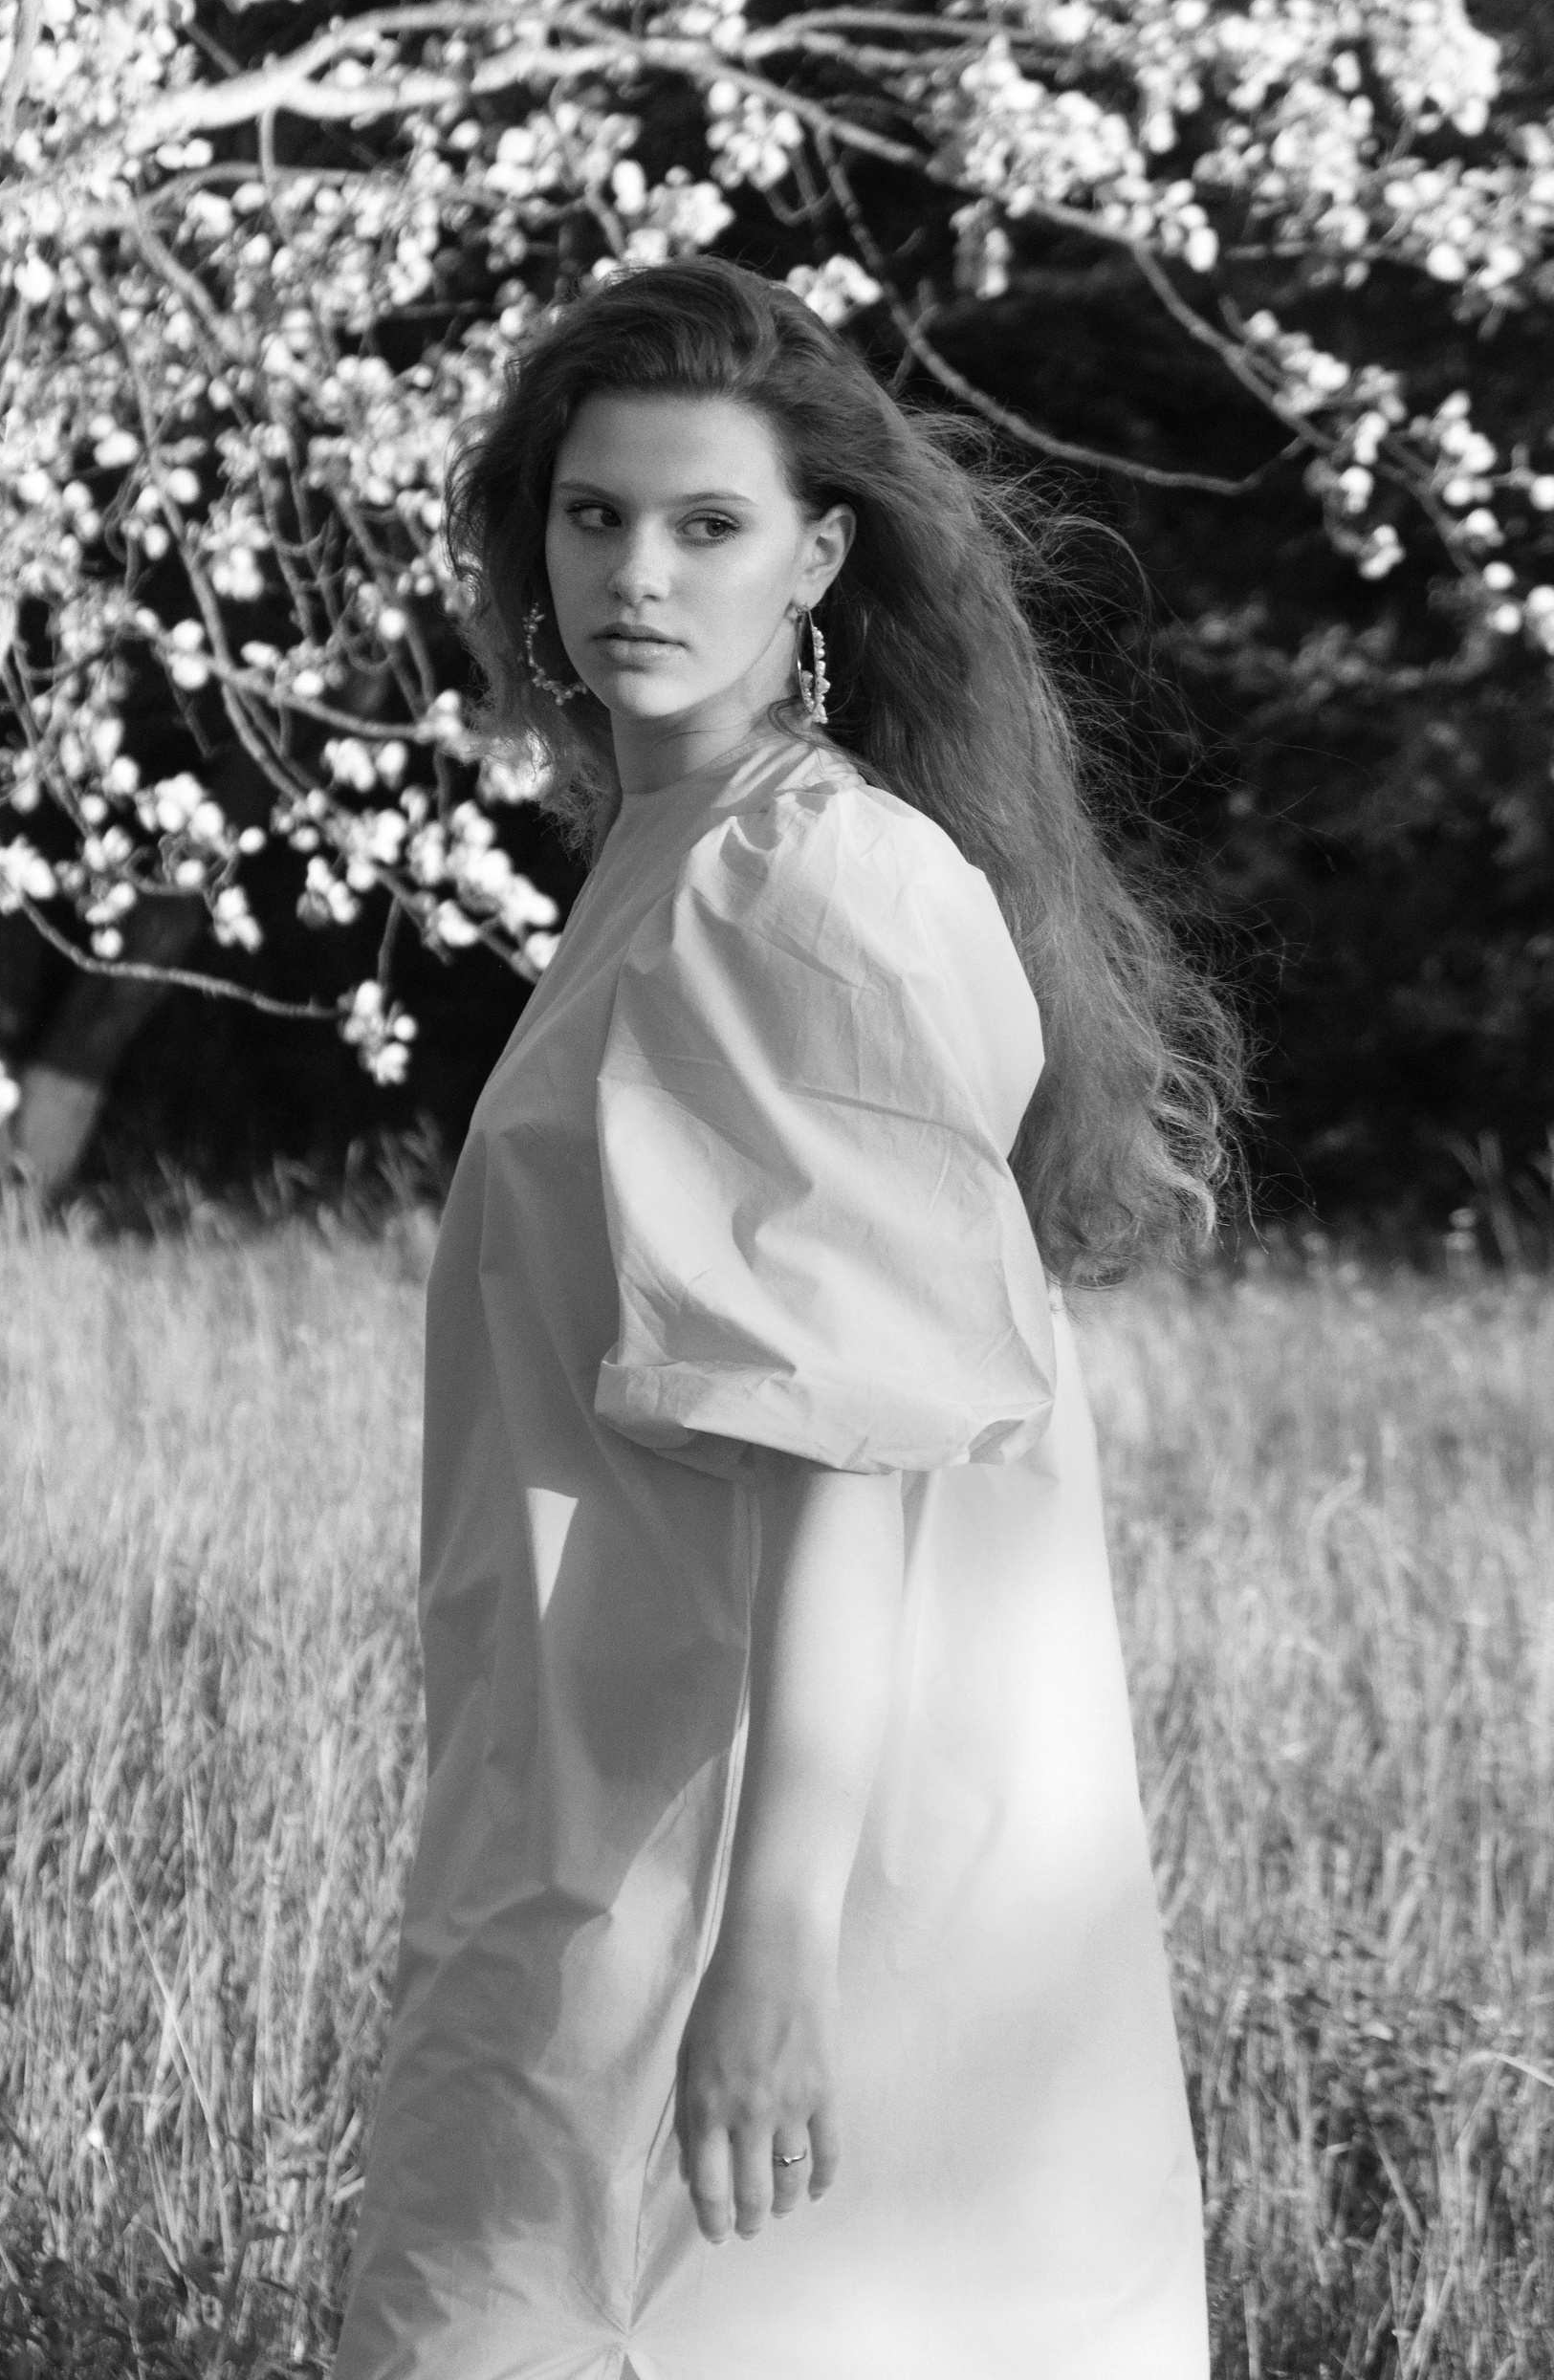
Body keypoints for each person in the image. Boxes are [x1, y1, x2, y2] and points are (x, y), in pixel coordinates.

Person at [330, 258, 1244, 2380]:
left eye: (707, 523)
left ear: (819, 557)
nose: (635, 573)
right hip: (608, 1802)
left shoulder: (798, 881)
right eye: (593, 516)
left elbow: (847, 1456)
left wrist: (770, 1955)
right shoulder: (680, 852)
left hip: (735, 1865)